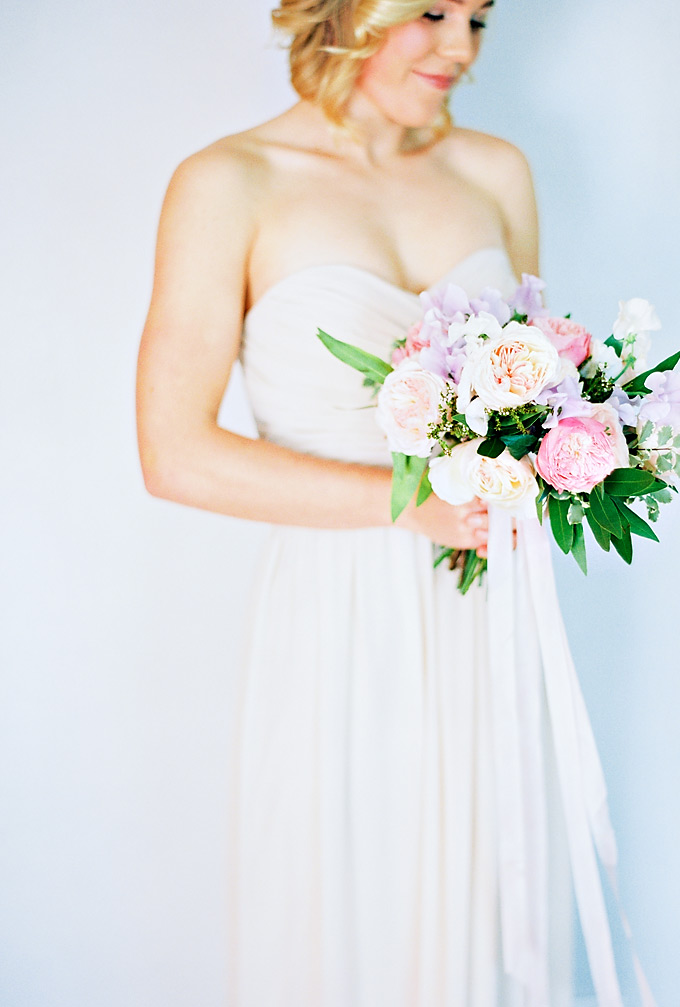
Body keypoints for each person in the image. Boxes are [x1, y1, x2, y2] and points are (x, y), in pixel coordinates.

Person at [137, 2, 578, 1005]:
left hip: (491, 607)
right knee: (355, 899)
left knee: (490, 897)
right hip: (341, 609)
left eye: (478, 16)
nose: (461, 49)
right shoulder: (229, 183)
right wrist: (404, 504)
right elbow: (174, 452)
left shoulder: (495, 171)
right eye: (429, 12)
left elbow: (537, 394)